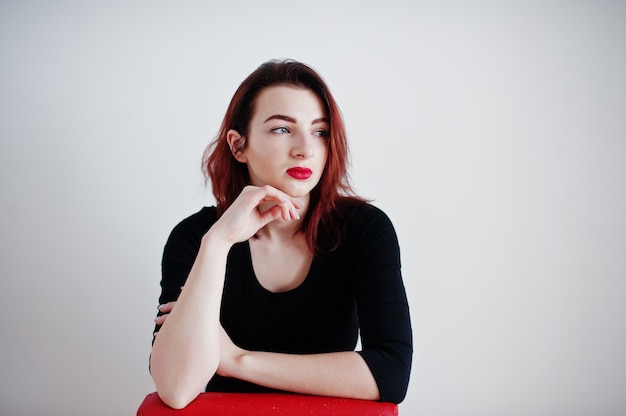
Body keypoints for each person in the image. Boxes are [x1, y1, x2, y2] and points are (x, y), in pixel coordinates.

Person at [149, 59, 412, 409]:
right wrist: (217, 243)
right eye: (282, 129)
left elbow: (391, 375)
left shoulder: (365, 230)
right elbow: (176, 389)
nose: (305, 148)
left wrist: (234, 360)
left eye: (319, 131)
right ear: (238, 145)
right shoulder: (195, 237)